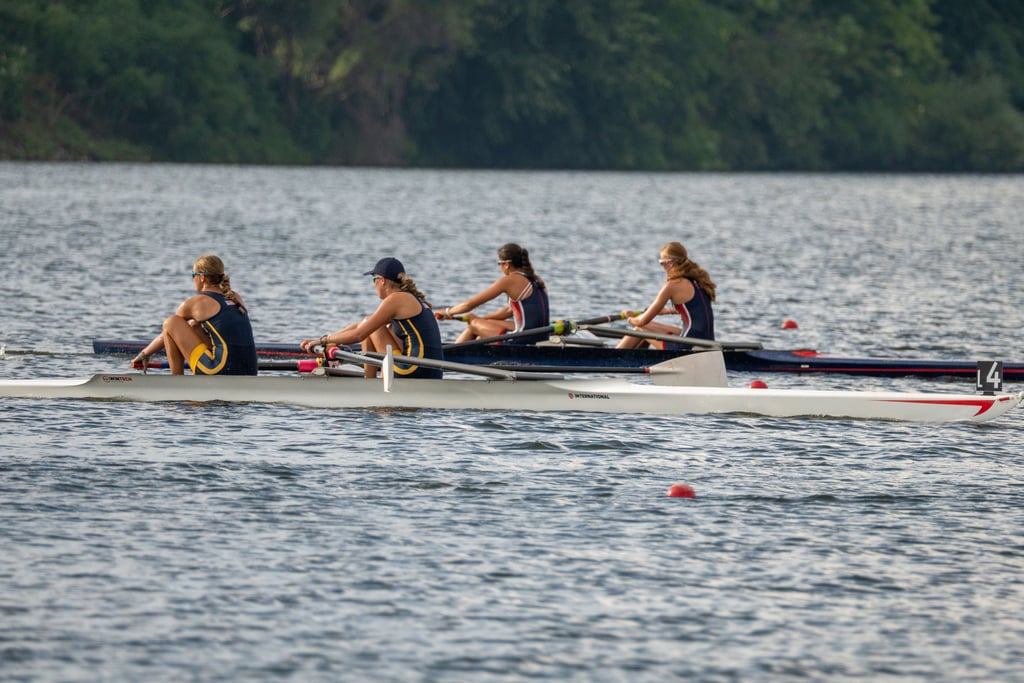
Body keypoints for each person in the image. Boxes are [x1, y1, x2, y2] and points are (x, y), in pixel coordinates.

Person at [300, 257, 444, 379]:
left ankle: (370, 385)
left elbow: (359, 334)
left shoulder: (396, 299)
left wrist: (323, 341)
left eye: (373, 279)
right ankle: (370, 382)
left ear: (382, 281)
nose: (373, 285)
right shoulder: (410, 299)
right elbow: (359, 326)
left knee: (369, 325)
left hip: (413, 370)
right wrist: (324, 339)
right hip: (431, 371)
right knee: (371, 324)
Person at [131, 254, 258, 375]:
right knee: (194, 325)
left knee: (171, 322)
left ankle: (177, 383)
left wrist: (144, 354)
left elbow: (168, 332)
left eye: (193, 275)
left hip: (221, 368)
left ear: (202, 277)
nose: (193, 279)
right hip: (250, 369)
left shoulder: (196, 303)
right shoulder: (235, 297)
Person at [435, 243, 550, 344]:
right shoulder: (537, 279)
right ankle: (475, 353)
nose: (499, 267)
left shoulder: (510, 280)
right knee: (483, 324)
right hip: (541, 336)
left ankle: (450, 357)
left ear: (507, 264)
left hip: (523, 340)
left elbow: (469, 304)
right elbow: (509, 311)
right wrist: (483, 318)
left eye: (499, 263)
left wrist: (447, 312)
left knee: (474, 325)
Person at [616, 242, 716, 349]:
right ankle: (639, 360)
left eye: (662, 263)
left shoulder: (672, 285)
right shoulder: (699, 281)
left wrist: (630, 317)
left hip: (687, 346)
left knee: (640, 328)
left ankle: (613, 359)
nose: (662, 267)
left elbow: (641, 321)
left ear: (670, 263)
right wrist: (667, 311)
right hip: (707, 341)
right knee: (653, 326)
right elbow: (696, 307)